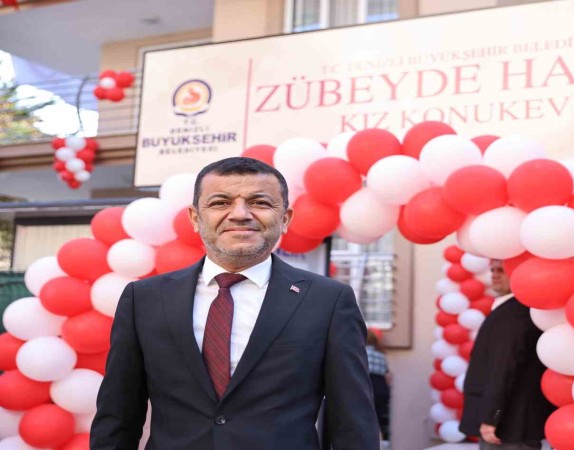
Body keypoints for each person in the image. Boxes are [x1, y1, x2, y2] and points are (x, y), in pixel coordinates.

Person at [91, 157, 379, 450]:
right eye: (220, 203)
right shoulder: (145, 299)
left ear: (285, 218)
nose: (240, 214)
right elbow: (118, 415)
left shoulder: (328, 301)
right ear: (195, 218)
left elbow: (353, 422)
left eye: (259, 202)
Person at [459, 260, 554, 450]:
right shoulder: (512, 310)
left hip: (509, 427)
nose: (495, 274)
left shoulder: (514, 314)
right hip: (510, 425)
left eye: (501, 270)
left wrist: (491, 417)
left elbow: (502, 369)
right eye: (493, 270)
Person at [366, 328, 391, 444]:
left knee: (365, 417)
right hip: (382, 389)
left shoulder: (362, 352)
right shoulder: (381, 355)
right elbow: (387, 374)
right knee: (381, 418)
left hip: (368, 388)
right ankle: (385, 442)